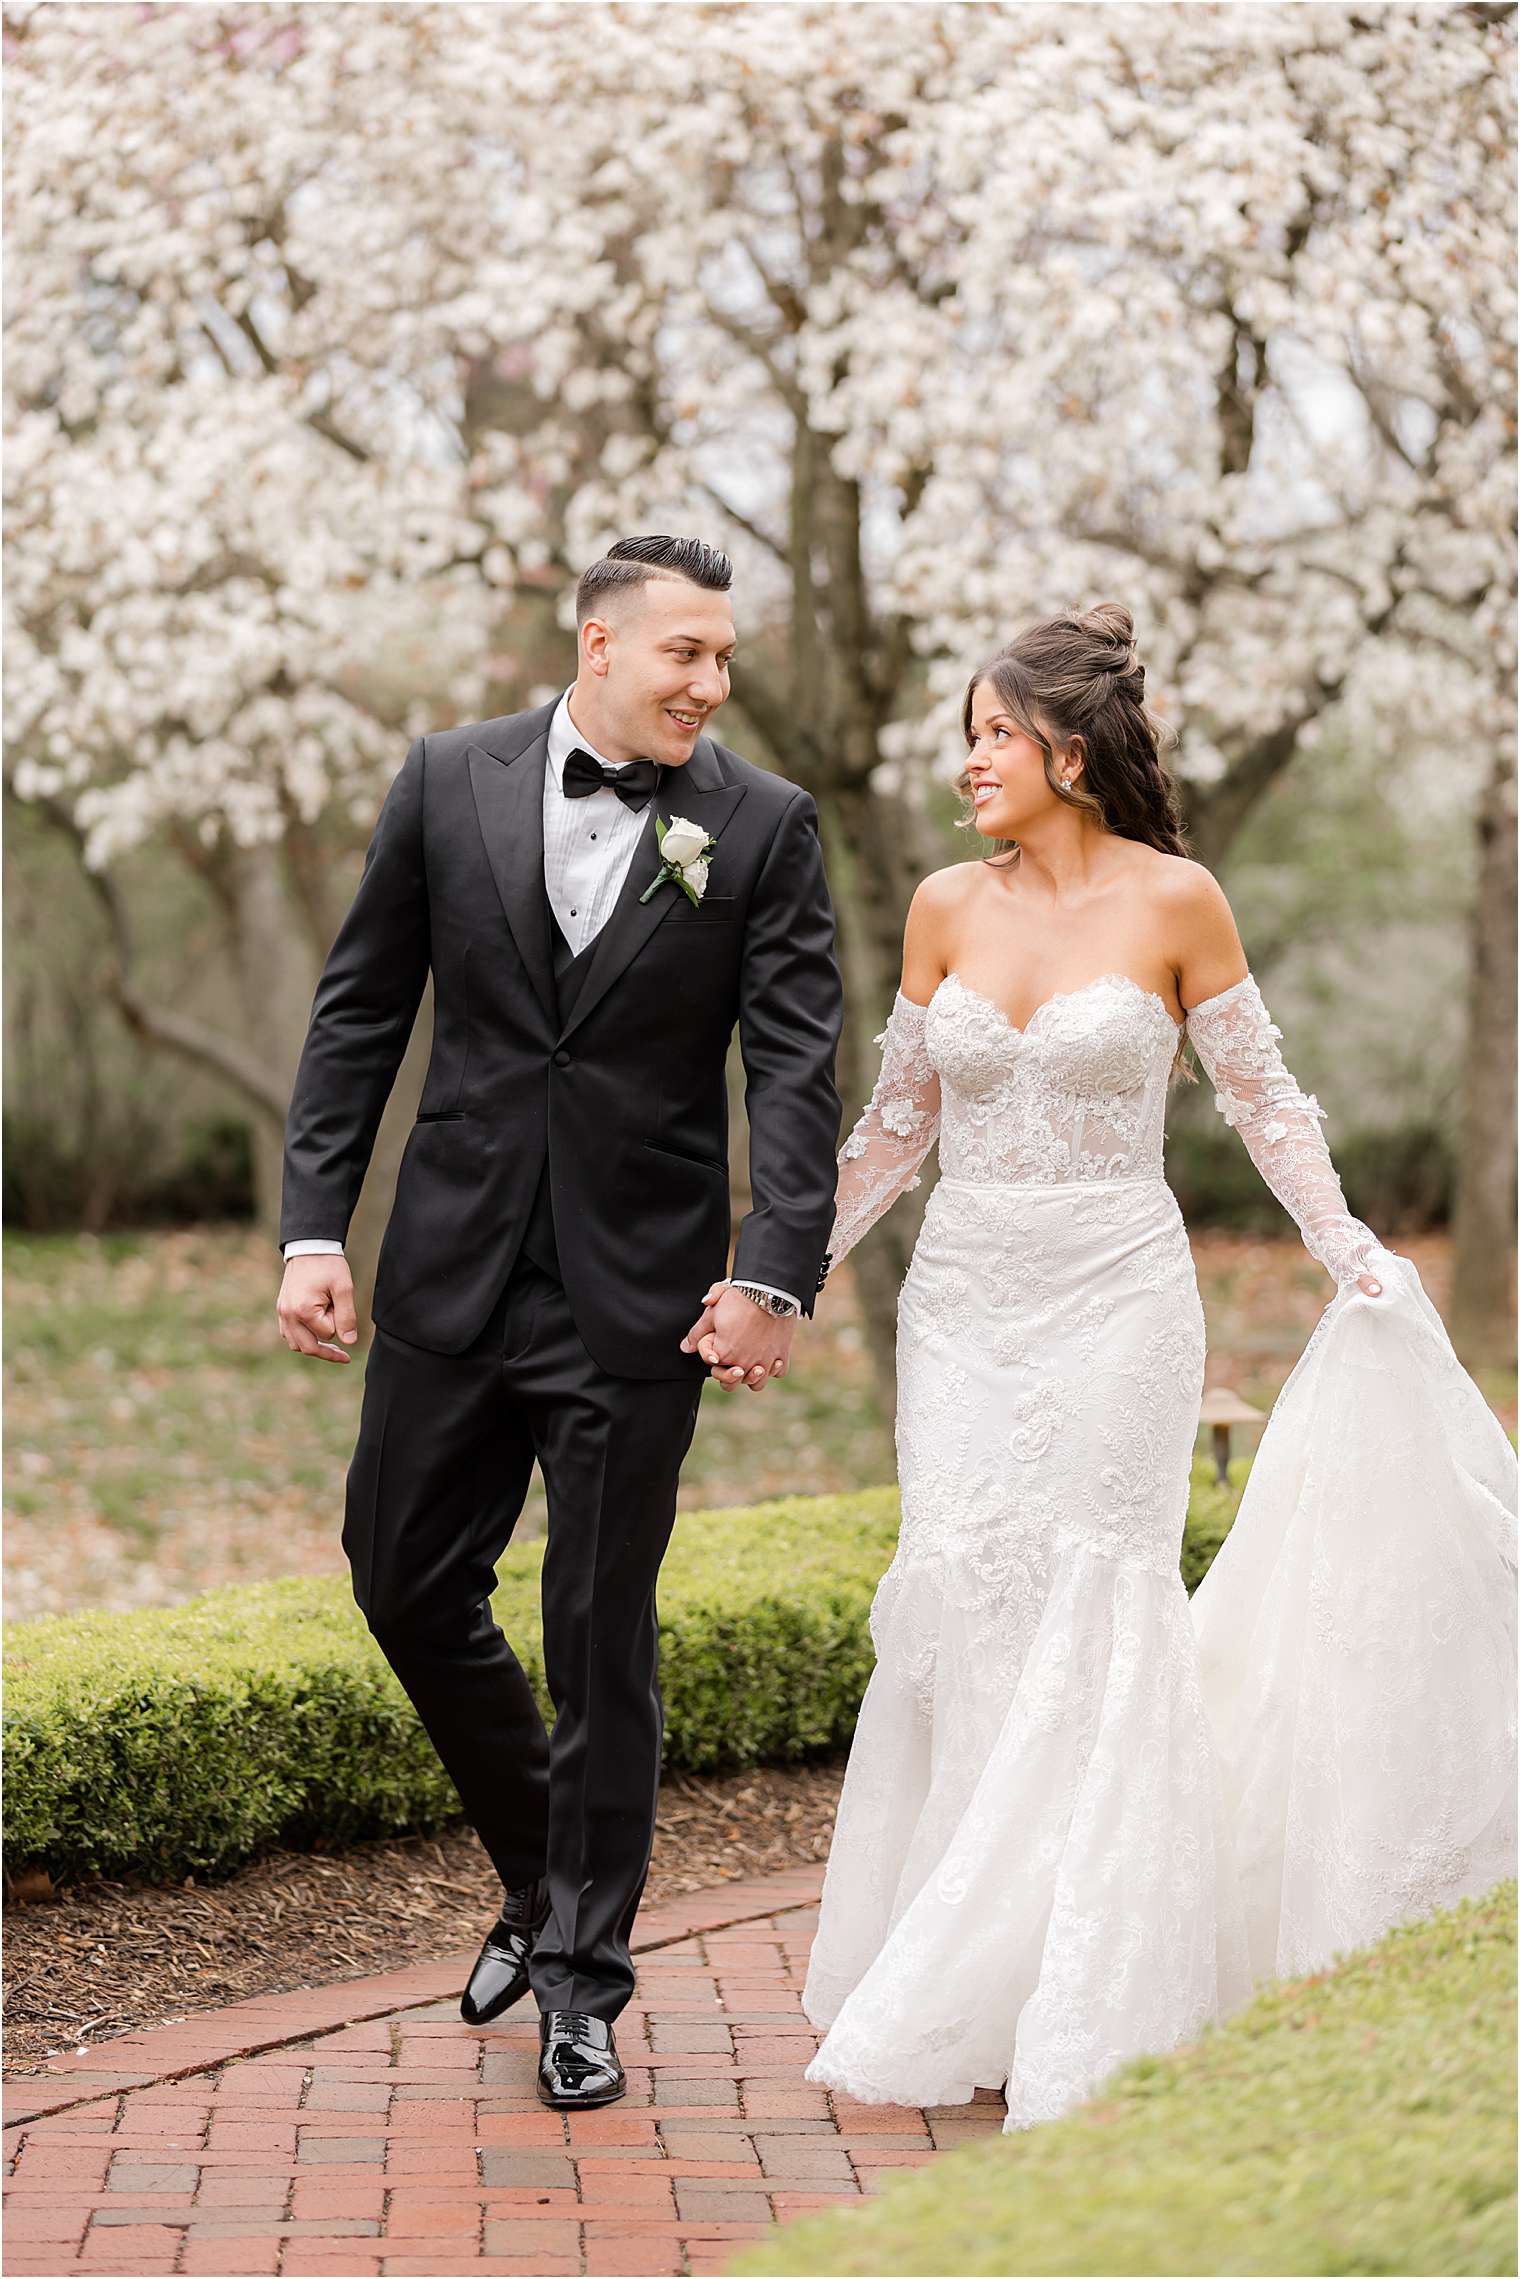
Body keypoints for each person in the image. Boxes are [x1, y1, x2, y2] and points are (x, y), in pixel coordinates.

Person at [796, 602, 1517, 2132]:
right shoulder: (940, 904)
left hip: (1120, 1298)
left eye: (996, 734)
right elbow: (898, 1130)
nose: (972, 761)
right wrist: (781, 1276)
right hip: (967, 1306)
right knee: (969, 1592)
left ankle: (1089, 1973)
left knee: (1095, 1602)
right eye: (967, 737)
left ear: (1071, 745)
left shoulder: (1181, 902)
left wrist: (1348, 1252)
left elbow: (1266, 1103)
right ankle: (967, 1969)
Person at [276, 535, 843, 2109]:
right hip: (451, 1266)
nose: (710, 685)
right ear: (599, 643)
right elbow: (362, 1005)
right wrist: (315, 1227)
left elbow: (796, 1066)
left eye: (725, 659)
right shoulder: (448, 777)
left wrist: (770, 1266)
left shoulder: (765, 826)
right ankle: (542, 1878)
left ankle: (585, 1983)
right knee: (399, 1578)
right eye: (685, 655)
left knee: (601, 1639)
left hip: (642, 1294)